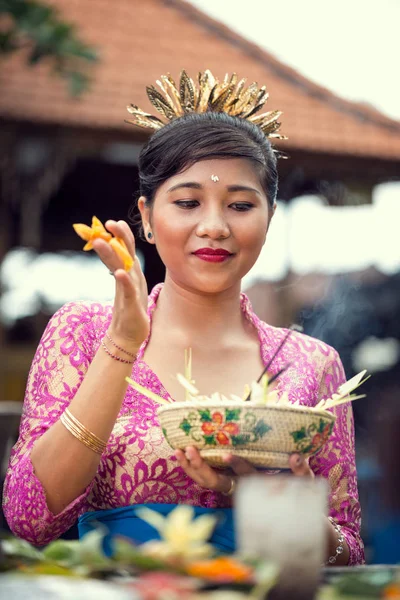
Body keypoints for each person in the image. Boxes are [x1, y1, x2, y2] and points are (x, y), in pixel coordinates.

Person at [2, 70, 364, 565]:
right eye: (188, 202)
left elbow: (349, 554)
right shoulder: (84, 332)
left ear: (269, 218)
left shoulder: (311, 365)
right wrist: (123, 343)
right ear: (147, 217)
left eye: (240, 205)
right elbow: (31, 519)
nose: (214, 227)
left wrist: (261, 496)